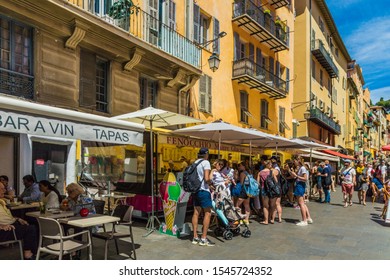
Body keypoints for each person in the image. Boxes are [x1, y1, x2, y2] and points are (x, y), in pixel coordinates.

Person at [0, 182, 38, 259]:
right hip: (5, 229)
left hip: (12, 224)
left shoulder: (2, 201)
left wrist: (18, 219)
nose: (4, 191)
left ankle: (34, 252)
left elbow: (6, 217)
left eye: (4, 188)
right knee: (31, 229)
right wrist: (1, 226)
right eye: (2, 189)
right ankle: (28, 254)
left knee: (34, 225)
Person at [191, 147, 215, 246]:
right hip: (203, 191)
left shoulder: (195, 163)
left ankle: (195, 237)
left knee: (196, 213)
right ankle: (204, 238)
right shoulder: (206, 162)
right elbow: (206, 178)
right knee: (207, 213)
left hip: (195, 191)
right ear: (206, 154)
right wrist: (211, 183)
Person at [290, 158, 313, 226]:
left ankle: (304, 220)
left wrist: (296, 175)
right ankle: (308, 218)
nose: (294, 163)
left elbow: (305, 178)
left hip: (300, 185)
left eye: (294, 161)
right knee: (302, 203)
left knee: (301, 204)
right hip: (299, 185)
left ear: (298, 161)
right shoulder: (301, 168)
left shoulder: (302, 168)